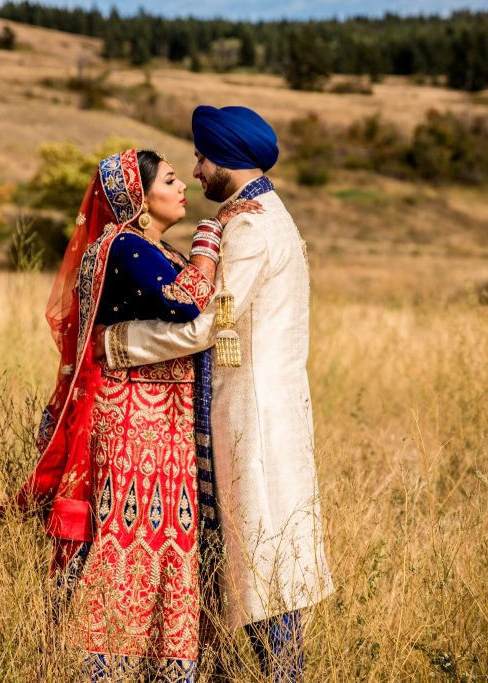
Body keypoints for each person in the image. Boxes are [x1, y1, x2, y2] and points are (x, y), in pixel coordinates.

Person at [1, 148, 258, 682]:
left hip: (164, 418)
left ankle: (165, 665)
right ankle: (103, 667)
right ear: (140, 200)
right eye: (169, 179)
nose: (183, 185)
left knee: (168, 537)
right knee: (129, 534)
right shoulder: (121, 246)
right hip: (130, 417)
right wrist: (212, 239)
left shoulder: (154, 248)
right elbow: (187, 303)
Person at [96, 106, 334, 681]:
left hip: (249, 414)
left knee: (261, 565)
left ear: (225, 158)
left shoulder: (249, 226)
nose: (197, 171)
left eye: (201, 158)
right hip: (265, 408)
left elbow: (209, 326)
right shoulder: (265, 214)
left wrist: (118, 343)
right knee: (262, 558)